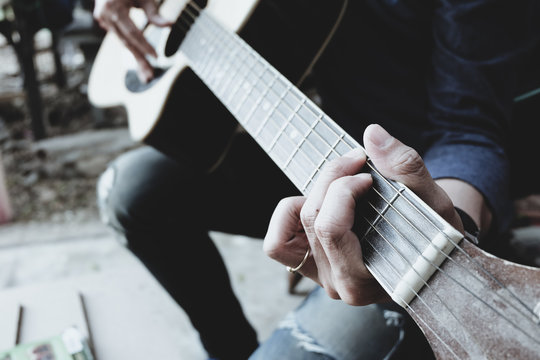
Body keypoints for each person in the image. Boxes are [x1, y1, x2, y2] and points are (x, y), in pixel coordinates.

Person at [93, 0, 539, 359]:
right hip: (289, 136)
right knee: (129, 191)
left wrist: (451, 227)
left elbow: (469, 128)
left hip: (399, 197)